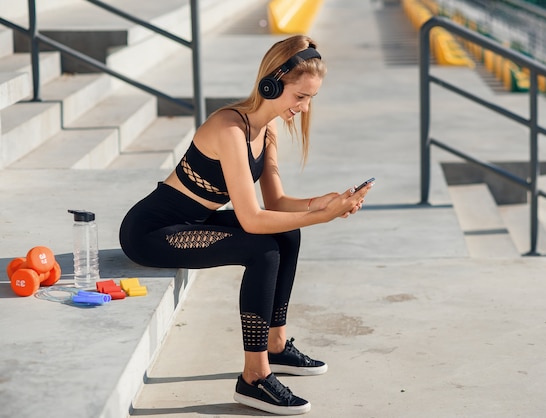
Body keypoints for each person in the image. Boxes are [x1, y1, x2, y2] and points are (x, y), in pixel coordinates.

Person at [119, 35, 373, 415]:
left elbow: (277, 205)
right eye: (299, 97)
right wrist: (324, 216)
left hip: (194, 222)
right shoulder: (229, 128)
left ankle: (276, 344)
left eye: (310, 100)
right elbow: (252, 220)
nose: (304, 108)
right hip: (152, 233)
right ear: (271, 84)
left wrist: (322, 202)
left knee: (287, 230)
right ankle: (254, 378)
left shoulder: (265, 130)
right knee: (262, 248)